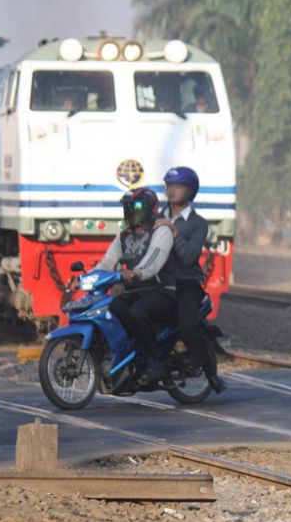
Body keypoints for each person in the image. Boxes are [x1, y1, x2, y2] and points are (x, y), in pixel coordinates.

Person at [154, 166, 227, 393]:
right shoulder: (156, 217)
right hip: (160, 283)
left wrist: (174, 232)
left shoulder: (198, 223)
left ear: (190, 191)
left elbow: (188, 257)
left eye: (177, 186)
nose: (171, 190)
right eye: (169, 186)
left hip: (187, 284)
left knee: (186, 326)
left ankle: (210, 374)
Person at [93, 187, 175, 384]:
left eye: (137, 207)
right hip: (136, 292)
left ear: (150, 209)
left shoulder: (161, 231)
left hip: (162, 290)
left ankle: (154, 361)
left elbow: (153, 260)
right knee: (110, 309)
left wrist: (136, 272)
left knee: (137, 313)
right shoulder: (124, 235)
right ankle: (124, 355)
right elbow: (107, 261)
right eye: (129, 207)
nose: (132, 212)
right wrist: (91, 276)